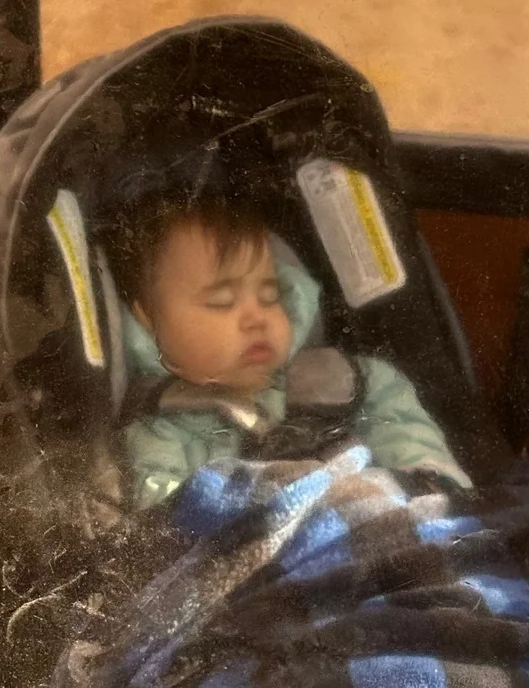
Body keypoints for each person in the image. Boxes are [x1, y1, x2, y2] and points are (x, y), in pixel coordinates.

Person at [101, 181, 471, 509]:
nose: (257, 317)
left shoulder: (350, 382)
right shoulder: (158, 437)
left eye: (269, 295)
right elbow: (170, 524)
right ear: (148, 324)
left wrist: (428, 482)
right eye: (222, 302)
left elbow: (408, 439)